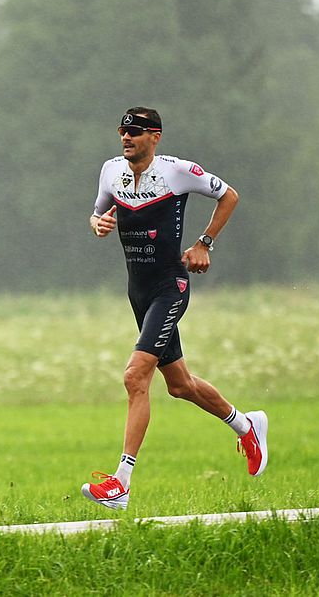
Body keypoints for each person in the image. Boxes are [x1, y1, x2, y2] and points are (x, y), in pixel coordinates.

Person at [81, 106, 267, 511]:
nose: (126, 138)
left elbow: (229, 195)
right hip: (138, 292)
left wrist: (204, 243)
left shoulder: (177, 171)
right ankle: (246, 425)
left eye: (136, 132)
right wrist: (97, 223)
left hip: (170, 286)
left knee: (135, 377)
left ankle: (121, 483)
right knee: (180, 386)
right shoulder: (110, 171)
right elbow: (98, 213)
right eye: (122, 131)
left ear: (155, 136)